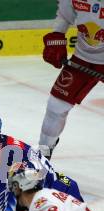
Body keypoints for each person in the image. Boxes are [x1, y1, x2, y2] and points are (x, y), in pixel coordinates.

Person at [39, 0, 104, 159]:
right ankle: (42, 156)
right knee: (56, 105)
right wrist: (57, 36)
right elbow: (64, 16)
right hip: (82, 58)